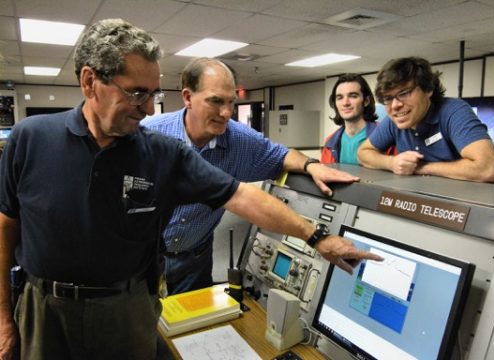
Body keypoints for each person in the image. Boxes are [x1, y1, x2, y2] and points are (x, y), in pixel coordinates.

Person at [0, 19, 382, 360]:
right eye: (136, 93)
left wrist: (316, 237)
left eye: (152, 94)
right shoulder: (30, 138)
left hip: (127, 308)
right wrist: (3, 316)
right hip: (43, 308)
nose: (148, 109)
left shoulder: (161, 152)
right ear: (89, 82)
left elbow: (241, 195)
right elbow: (5, 228)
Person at [142, 58, 361, 295]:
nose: (226, 113)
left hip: (194, 258)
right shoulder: (149, 134)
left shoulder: (238, 140)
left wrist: (310, 166)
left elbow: (279, 156)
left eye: (231, 102)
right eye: (215, 101)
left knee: (193, 326)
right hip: (143, 255)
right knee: (144, 324)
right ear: (187, 97)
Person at [358, 56, 494, 183]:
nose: (395, 105)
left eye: (404, 93)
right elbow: (363, 153)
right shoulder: (395, 121)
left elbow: (489, 168)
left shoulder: (453, 111)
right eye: (388, 98)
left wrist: (423, 168)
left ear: (428, 89)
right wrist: (392, 163)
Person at [321, 73, 379, 165]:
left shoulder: (384, 135)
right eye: (339, 98)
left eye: (353, 96)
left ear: (366, 101)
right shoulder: (329, 142)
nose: (345, 103)